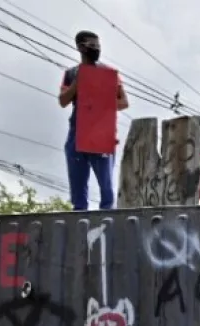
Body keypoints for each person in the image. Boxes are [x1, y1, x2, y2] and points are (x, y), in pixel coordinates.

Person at [59, 31, 128, 211]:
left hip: (102, 132)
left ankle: (107, 220)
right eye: (92, 46)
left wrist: (101, 101)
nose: (96, 49)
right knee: (78, 186)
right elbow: (63, 101)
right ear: (80, 47)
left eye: (98, 46)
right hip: (77, 131)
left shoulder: (110, 73)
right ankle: (79, 220)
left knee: (106, 187)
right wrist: (78, 83)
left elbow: (124, 102)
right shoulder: (71, 73)